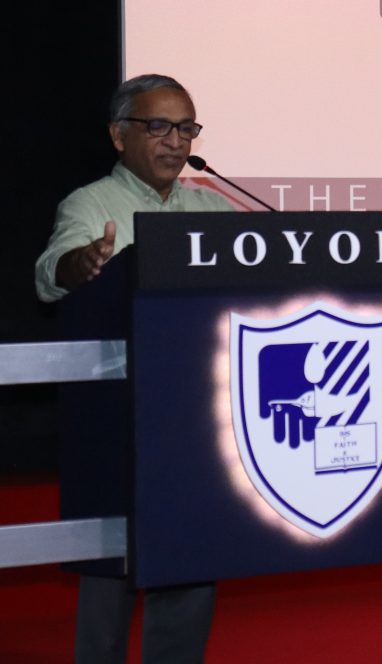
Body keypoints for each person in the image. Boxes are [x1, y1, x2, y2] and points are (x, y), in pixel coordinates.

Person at [36, 74, 234, 664]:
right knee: (110, 576)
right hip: (120, 421)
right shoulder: (90, 203)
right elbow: (53, 271)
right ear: (119, 136)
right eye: (159, 126)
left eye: (186, 128)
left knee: (190, 562)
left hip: (200, 420)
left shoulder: (212, 207)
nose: (176, 140)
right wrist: (84, 262)